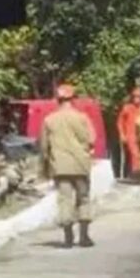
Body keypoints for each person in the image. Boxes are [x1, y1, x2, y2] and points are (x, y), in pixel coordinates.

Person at [40, 84, 96, 248]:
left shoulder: (49, 120)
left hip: (60, 166)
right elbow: (91, 139)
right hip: (80, 165)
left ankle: (68, 238)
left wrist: (45, 165)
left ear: (58, 100)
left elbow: (44, 146)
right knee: (83, 198)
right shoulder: (82, 118)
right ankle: (84, 237)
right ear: (73, 99)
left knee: (65, 199)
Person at [116, 86, 140, 177]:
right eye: (135, 96)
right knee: (134, 155)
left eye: (139, 97)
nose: (137, 99)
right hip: (130, 136)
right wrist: (122, 134)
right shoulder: (127, 108)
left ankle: (138, 174)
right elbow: (119, 122)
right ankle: (133, 174)